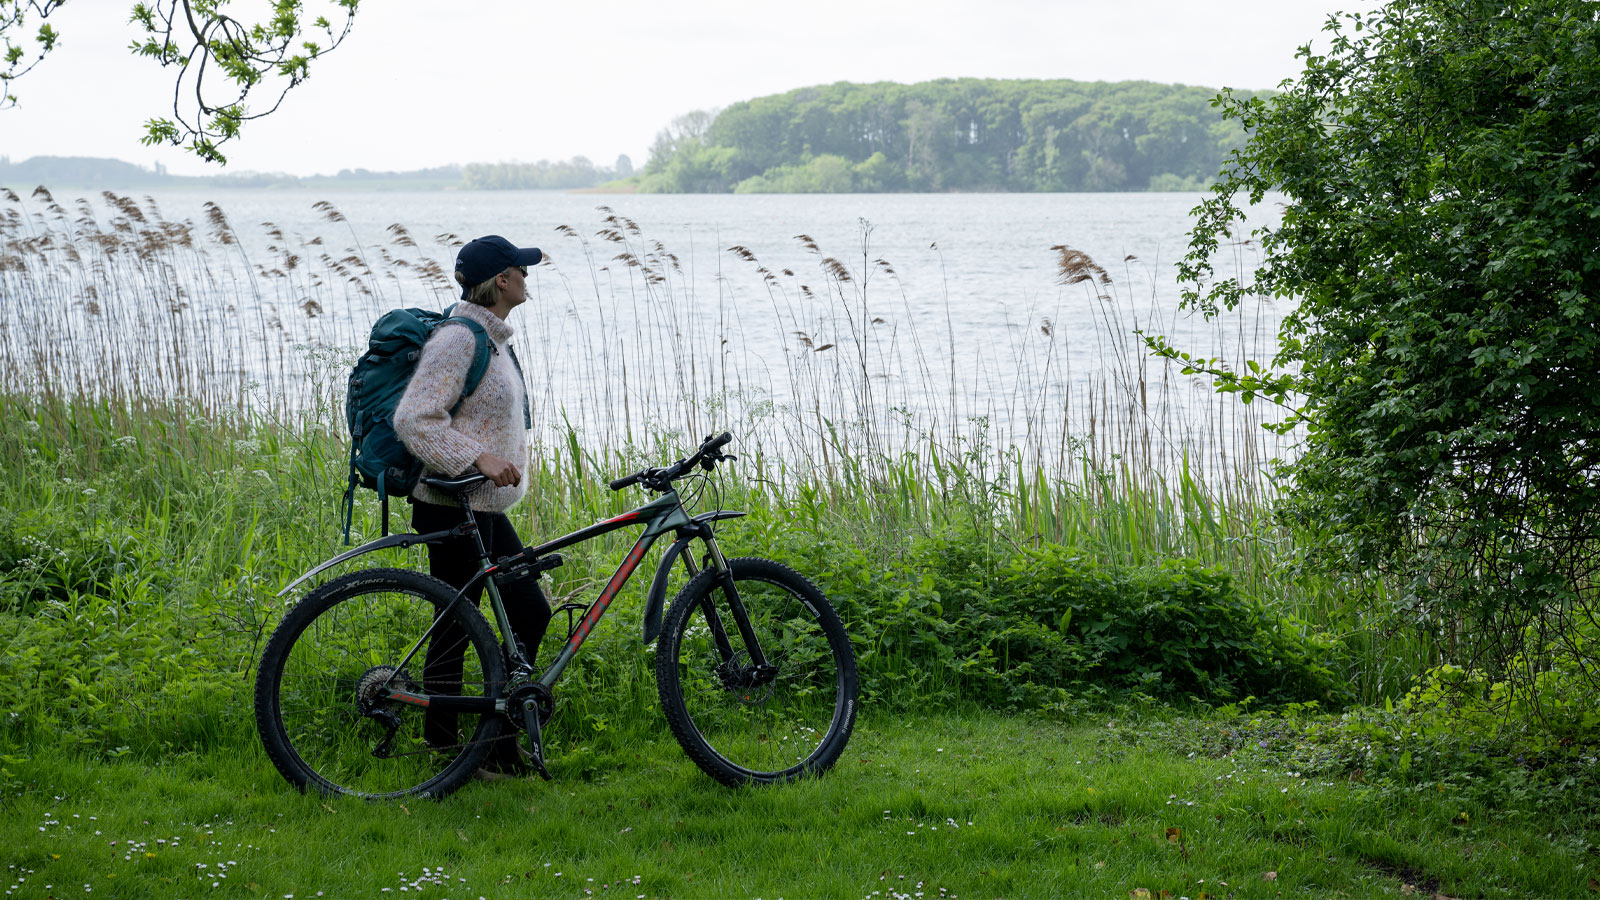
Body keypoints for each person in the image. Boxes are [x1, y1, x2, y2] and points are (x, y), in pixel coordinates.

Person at [394, 234, 551, 773]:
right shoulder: (460, 339)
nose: (528, 278)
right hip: (451, 503)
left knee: (469, 621)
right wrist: (477, 457)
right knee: (507, 614)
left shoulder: (492, 337)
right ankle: (481, 747)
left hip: (478, 507)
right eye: (521, 270)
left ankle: (474, 746)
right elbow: (414, 418)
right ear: (502, 281)